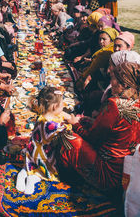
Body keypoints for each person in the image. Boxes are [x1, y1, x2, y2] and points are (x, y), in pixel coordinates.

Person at [57, 61, 140, 196]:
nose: (111, 82)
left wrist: (75, 123)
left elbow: (92, 138)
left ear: (124, 84)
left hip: (108, 173)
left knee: (66, 136)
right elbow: (119, 131)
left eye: (113, 78)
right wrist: (93, 122)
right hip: (127, 172)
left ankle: (70, 178)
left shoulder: (115, 105)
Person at [16, 86, 72, 194]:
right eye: (62, 104)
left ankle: (22, 174)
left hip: (32, 152)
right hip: (44, 156)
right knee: (48, 171)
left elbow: (59, 117)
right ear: (55, 106)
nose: (63, 107)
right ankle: (32, 180)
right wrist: (71, 123)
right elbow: (66, 132)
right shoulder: (53, 126)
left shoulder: (42, 117)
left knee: (29, 167)